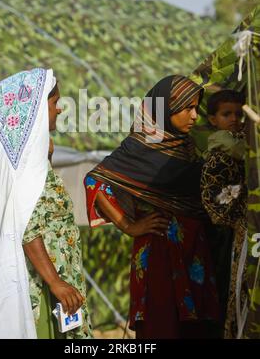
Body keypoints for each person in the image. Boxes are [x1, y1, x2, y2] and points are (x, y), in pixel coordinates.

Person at [84, 75, 220, 339]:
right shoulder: (141, 145)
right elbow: (96, 180)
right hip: (159, 250)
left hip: (195, 250)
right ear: (166, 109)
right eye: (186, 108)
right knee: (162, 325)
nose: (194, 116)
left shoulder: (189, 147)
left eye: (196, 108)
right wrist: (128, 225)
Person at [0, 68, 91, 339]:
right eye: (55, 103)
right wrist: (55, 283)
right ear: (36, 109)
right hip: (36, 287)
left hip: (46, 281)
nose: (59, 110)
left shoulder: (19, 162)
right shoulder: (21, 168)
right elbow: (25, 224)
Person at [201, 89, 248, 339]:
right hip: (229, 232)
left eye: (238, 114)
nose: (233, 119)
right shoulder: (223, 145)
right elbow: (216, 200)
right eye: (226, 114)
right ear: (213, 120)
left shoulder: (242, 137)